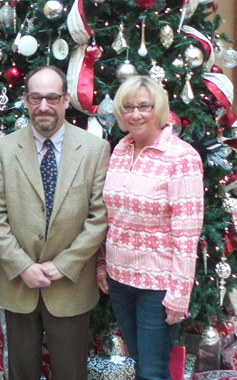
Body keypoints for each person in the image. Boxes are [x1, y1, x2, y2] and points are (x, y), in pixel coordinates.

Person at [0, 66, 110, 380]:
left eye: (52, 98)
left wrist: (65, 263)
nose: (44, 106)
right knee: (21, 373)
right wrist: (22, 265)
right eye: (36, 97)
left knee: (71, 372)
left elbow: (99, 217)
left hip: (71, 284)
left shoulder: (95, 150)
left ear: (66, 100)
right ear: (25, 100)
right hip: (19, 282)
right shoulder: (3, 148)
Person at [97, 75, 204, 380]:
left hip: (158, 284)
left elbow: (187, 234)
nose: (135, 114)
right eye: (128, 106)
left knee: (154, 369)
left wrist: (179, 295)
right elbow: (110, 216)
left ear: (159, 108)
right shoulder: (119, 148)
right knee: (141, 361)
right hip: (119, 278)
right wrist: (102, 263)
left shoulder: (182, 158)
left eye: (144, 106)